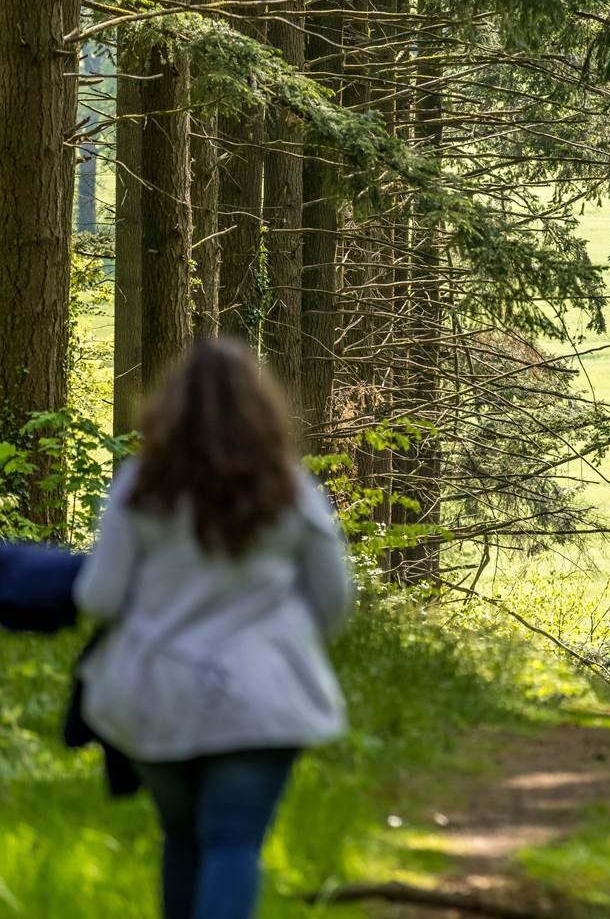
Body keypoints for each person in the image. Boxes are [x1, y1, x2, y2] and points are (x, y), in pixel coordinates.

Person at [74, 339, 354, 919]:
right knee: (231, 842)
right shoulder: (291, 490)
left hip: (155, 696)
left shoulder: (140, 486)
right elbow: (333, 604)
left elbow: (98, 597)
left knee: (183, 839)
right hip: (265, 700)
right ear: (262, 410)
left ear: (170, 408)